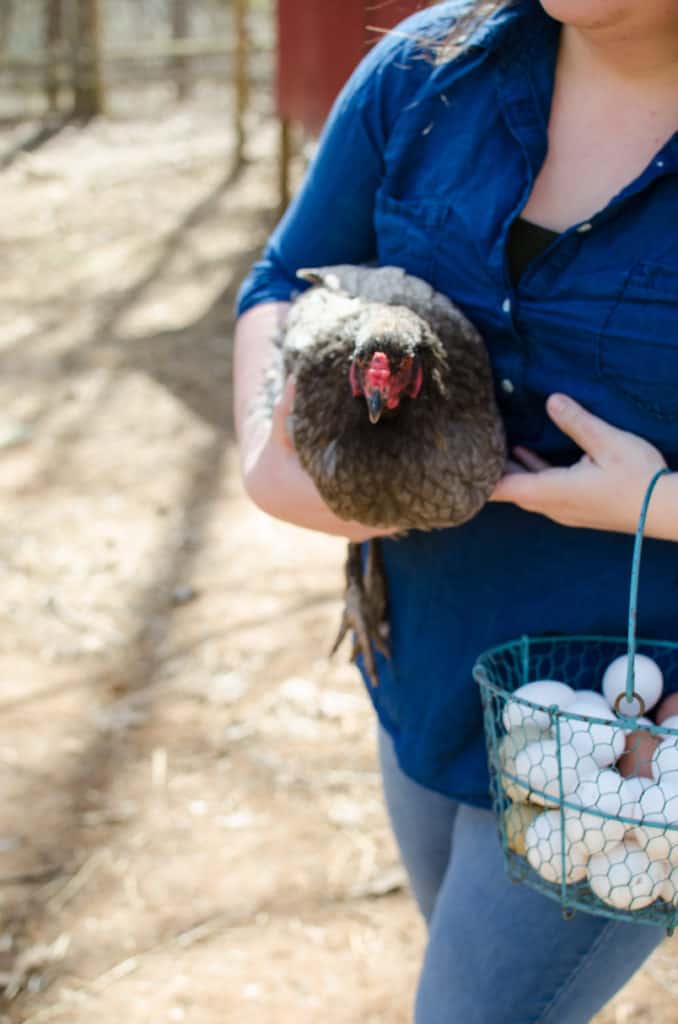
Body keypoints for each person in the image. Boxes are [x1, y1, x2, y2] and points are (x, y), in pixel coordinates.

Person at [234, 1, 678, 1020]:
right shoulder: (426, 70)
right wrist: (269, 457)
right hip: (425, 655)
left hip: (635, 725)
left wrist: (659, 502)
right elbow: (282, 278)